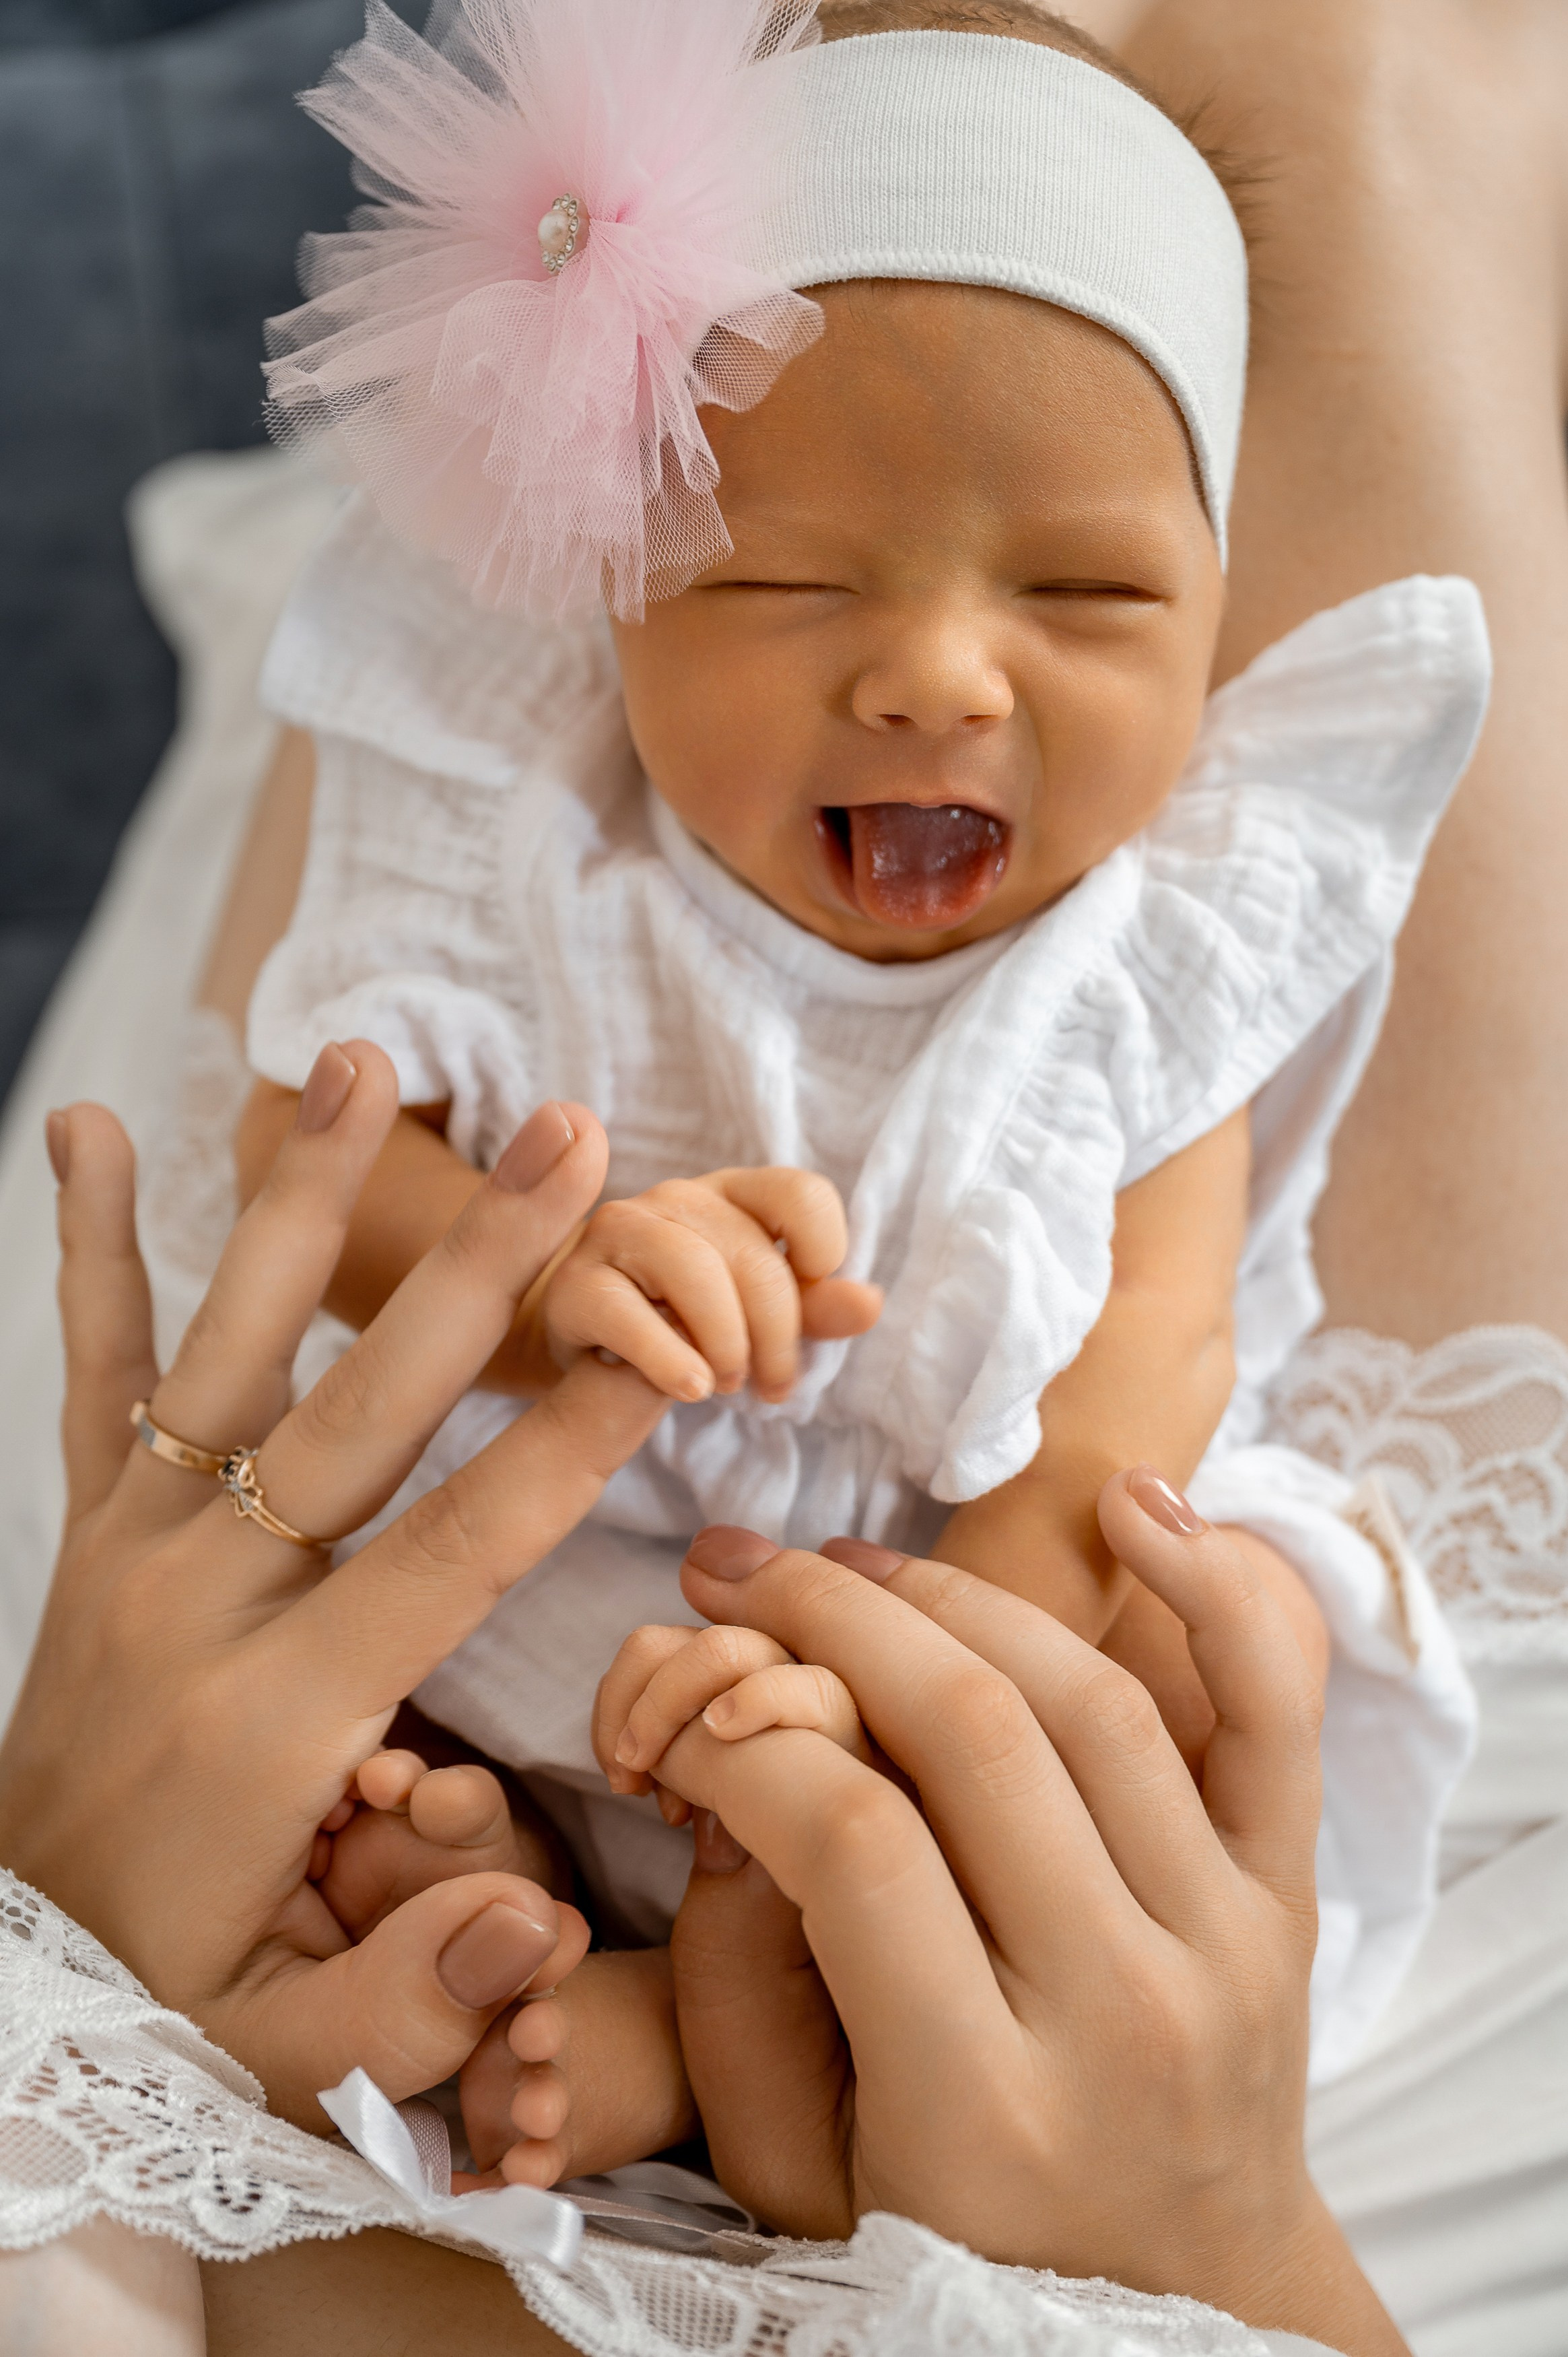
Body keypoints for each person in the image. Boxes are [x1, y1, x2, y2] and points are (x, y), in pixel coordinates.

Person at [220, 0, 1481, 2187]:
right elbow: (302, 1178)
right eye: (789, 581)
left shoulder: (1136, 956)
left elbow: (1144, 1359)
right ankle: (518, 1897)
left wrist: (899, 1688)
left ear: (1207, 607)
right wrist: (555, 1273)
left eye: (1088, 594)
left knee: (1228, 1636)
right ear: (615, 595)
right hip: (573, 1586)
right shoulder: (540, 871)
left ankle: (714, 2017)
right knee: (318, 1662)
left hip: (987, 1607)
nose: (934, 674)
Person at [0, 1075, 1402, 2357]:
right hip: (1024, 2050)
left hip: (913, 1719)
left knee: (1176, 1629)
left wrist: (69, 1972)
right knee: (1188, 1634)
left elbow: (1159, 1337)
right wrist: (1238, 2262)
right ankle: (604, 1963)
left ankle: (618, 1990)